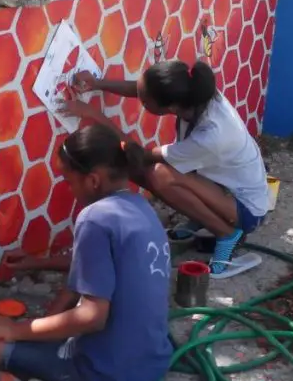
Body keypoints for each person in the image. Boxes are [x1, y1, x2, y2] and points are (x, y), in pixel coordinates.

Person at [0, 124, 174, 381]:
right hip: (153, 361)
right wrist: (38, 263)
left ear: (93, 181)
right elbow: (96, 266)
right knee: (55, 314)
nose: (69, 189)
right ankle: (40, 347)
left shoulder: (94, 217)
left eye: (69, 181)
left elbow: (92, 317)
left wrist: (16, 330)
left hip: (104, 376)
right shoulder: (139, 206)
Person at [64, 59, 271, 277]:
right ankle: (202, 218)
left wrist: (93, 115)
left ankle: (227, 233)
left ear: (170, 107)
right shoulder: (193, 95)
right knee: (156, 172)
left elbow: (142, 156)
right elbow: (142, 90)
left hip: (247, 210)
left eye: (144, 102)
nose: (140, 100)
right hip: (224, 188)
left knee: (158, 175)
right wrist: (97, 83)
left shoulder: (212, 134)